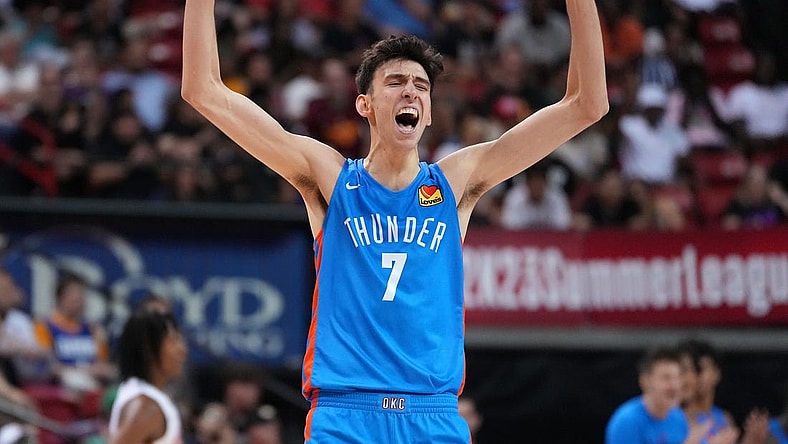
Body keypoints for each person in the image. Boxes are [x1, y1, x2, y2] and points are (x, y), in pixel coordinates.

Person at [181, 0, 608, 441]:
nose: (411, 91)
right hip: (346, 416)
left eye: (421, 86)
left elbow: (586, 104)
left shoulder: (456, 182)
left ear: (428, 111)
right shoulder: (329, 178)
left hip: (432, 415)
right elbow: (203, 89)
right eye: (396, 82)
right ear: (364, 104)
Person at [107, 310, 187, 444]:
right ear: (149, 349)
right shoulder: (145, 407)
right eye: (173, 341)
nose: (182, 349)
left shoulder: (150, 399)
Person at [605, 346, 709, 444]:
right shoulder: (627, 421)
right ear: (645, 381)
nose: (674, 386)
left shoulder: (678, 417)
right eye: (666, 378)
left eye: (677, 377)